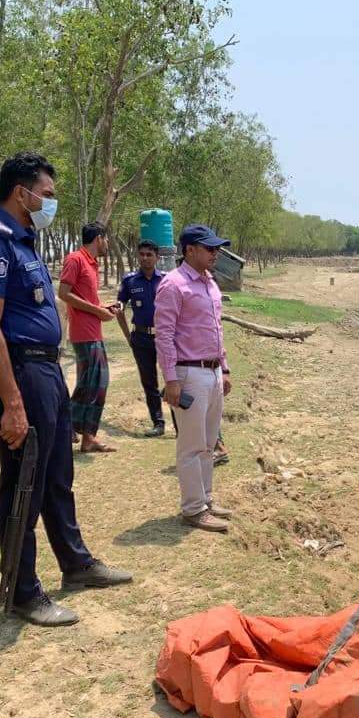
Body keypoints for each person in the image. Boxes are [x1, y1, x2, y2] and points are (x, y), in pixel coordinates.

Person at [0, 153, 131, 627]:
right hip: (20, 373)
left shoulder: (24, 242)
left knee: (57, 473)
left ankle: (75, 562)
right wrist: (12, 402)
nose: (51, 203)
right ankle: (22, 590)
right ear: (23, 193)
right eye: (48, 195)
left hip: (46, 370)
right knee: (25, 480)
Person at [155, 224, 234, 533]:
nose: (215, 253)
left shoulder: (210, 283)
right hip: (189, 373)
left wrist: (224, 368)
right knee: (191, 445)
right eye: (209, 248)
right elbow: (164, 336)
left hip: (212, 371)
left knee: (209, 442)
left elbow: (216, 329)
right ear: (189, 250)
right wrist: (171, 381)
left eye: (216, 248)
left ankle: (205, 499)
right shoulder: (174, 285)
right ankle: (192, 509)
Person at [59, 223, 118, 453]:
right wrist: (97, 311)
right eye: (106, 240)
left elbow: (85, 298)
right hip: (83, 334)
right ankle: (65, 429)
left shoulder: (93, 264)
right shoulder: (75, 259)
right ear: (99, 238)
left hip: (94, 331)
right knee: (90, 385)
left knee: (96, 385)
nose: (108, 244)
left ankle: (87, 437)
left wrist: (104, 308)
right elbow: (64, 294)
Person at [116, 240, 166, 437]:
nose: (145, 258)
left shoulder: (166, 280)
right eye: (142, 254)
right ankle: (158, 422)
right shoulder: (129, 281)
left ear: (157, 258)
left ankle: (180, 423)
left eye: (149, 254)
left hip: (164, 338)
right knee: (149, 382)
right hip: (141, 338)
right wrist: (128, 336)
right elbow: (119, 306)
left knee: (174, 378)